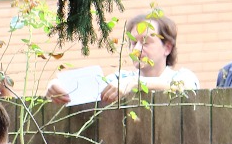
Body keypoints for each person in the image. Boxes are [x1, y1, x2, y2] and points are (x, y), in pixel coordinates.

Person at [46, 14, 200, 104]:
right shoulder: (120, 78)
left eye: (146, 42)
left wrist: (135, 84)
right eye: (133, 43)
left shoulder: (182, 76)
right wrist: (56, 85)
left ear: (167, 47)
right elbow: (88, 90)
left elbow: (187, 87)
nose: (137, 49)